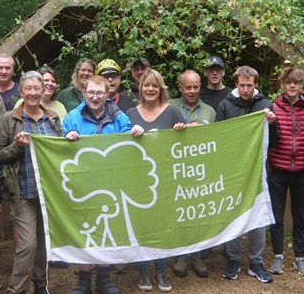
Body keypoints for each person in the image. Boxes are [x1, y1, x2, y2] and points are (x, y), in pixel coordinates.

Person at [0, 71, 61, 294]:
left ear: (43, 90)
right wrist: (17, 147)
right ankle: (16, 289)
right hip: (23, 191)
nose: (33, 93)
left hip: (49, 193)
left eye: (37, 88)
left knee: (43, 243)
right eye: (28, 89)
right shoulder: (9, 119)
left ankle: (41, 285)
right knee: (27, 245)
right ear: (21, 92)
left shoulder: (52, 118)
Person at [63, 75, 128, 294]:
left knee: (107, 231)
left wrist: (136, 133)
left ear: (108, 94)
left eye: (100, 93)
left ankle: (104, 278)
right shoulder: (72, 117)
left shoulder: (118, 116)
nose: (95, 96)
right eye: (90, 92)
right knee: (85, 232)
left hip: (111, 184)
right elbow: (60, 149)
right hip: (82, 186)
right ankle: (83, 280)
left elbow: (129, 140)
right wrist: (66, 135)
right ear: (83, 92)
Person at [125, 69, 186, 292]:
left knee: (160, 227)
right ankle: (143, 274)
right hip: (138, 182)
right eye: (146, 85)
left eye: (154, 85)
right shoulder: (130, 113)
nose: (150, 89)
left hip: (166, 180)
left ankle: (160, 273)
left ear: (161, 89)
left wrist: (182, 130)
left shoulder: (173, 113)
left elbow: (187, 145)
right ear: (140, 89)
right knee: (142, 227)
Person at [216, 66, 276, 283]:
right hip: (231, 170)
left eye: (249, 85)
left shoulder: (265, 105)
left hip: (257, 170)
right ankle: (233, 259)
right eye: (242, 85)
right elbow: (218, 136)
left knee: (257, 214)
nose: (245, 89)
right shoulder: (225, 105)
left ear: (256, 85)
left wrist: (272, 123)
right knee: (232, 213)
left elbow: (274, 141)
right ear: (236, 83)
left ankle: (256, 262)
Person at [267, 67, 304, 277]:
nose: (292, 86)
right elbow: (267, 140)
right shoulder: (272, 108)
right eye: (288, 82)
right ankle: (278, 255)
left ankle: (300, 257)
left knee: (300, 217)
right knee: (277, 217)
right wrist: (270, 167)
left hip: (302, 172)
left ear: (301, 85)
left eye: (296, 83)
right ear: (282, 84)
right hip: (278, 171)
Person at [167, 69, 214, 278]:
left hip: (201, 171)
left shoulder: (210, 111)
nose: (192, 91)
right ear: (180, 88)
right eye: (188, 87)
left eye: (196, 87)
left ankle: (197, 256)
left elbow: (216, 139)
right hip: (176, 170)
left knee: (199, 213)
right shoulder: (169, 108)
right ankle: (180, 256)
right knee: (179, 213)